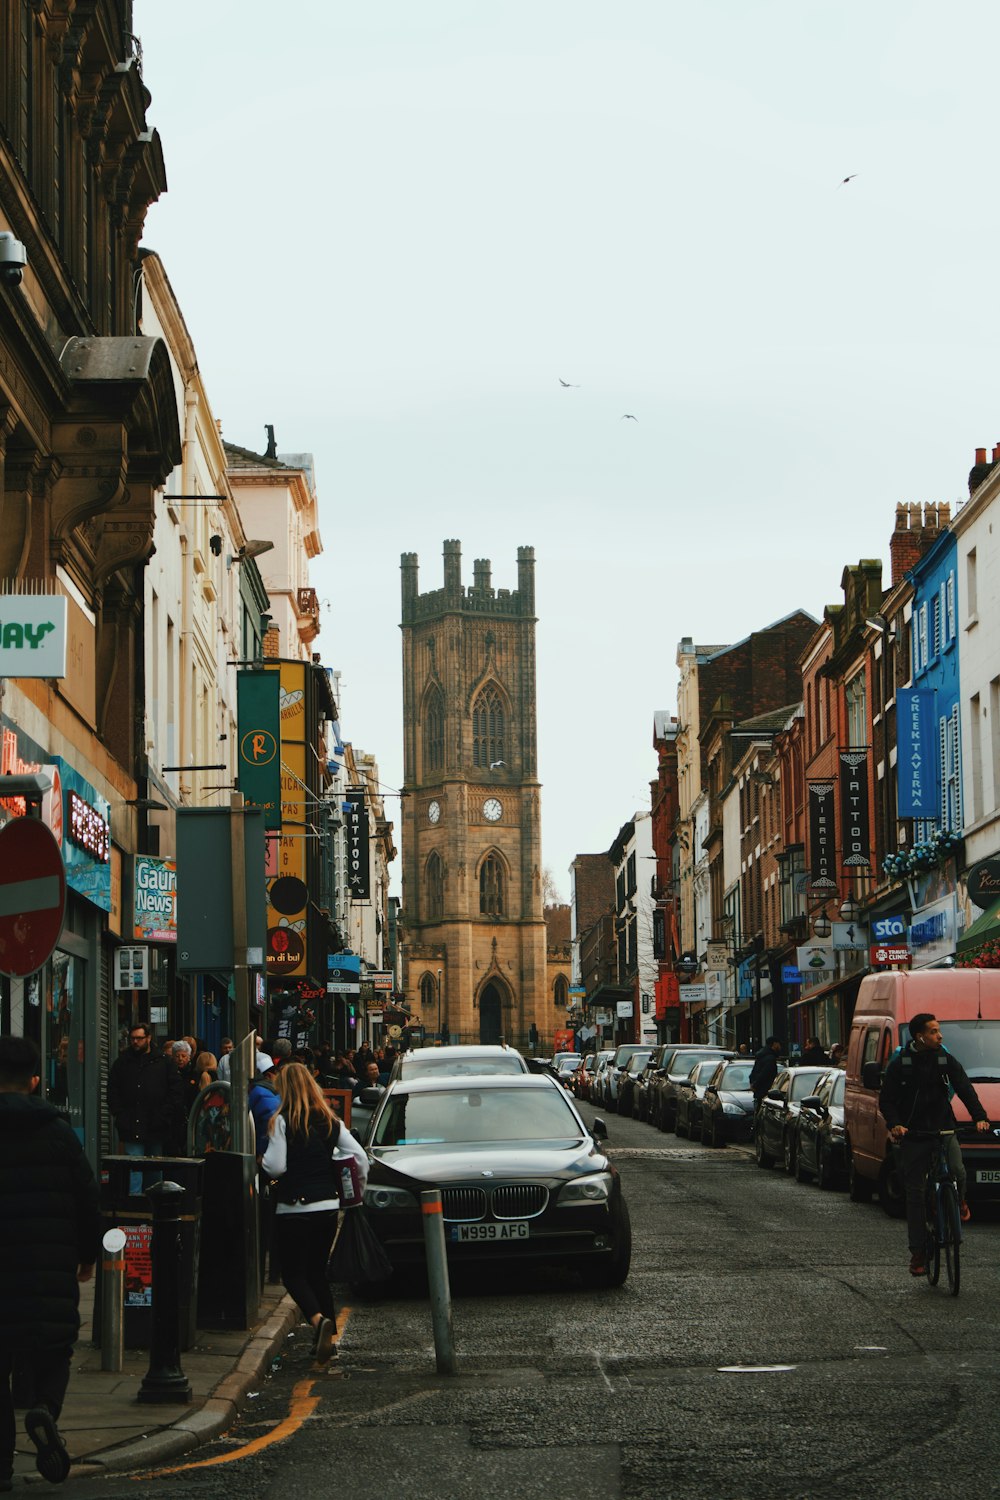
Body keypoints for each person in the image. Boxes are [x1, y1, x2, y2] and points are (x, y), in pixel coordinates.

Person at [0, 1035, 101, 1488]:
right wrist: (87, 1257)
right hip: (49, 1264)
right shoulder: (60, 1132)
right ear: (36, 1080)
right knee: (56, 1350)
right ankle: (45, 1407)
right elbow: (87, 1200)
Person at [261, 1063, 368, 1363]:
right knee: (317, 1272)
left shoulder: (281, 1121)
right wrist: (355, 1195)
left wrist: (262, 1160)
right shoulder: (330, 1121)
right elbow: (359, 1157)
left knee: (292, 1274)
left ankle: (318, 1321)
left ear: (285, 1088)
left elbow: (276, 1167)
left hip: (293, 1208)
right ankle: (328, 1341)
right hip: (327, 1208)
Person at [879, 1012, 991, 1277]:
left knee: (958, 1171)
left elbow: (964, 1087)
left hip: (944, 1128)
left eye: (939, 1031)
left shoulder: (944, 1059)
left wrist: (980, 1117)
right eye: (934, 1032)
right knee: (915, 1193)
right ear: (920, 1036)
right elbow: (887, 1100)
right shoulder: (901, 1064)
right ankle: (918, 1252)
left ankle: (959, 1202)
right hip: (914, 1133)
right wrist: (895, 1124)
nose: (939, 1036)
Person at [107, 1022, 182, 1194]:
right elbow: (113, 1090)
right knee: (135, 1169)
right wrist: (120, 1113)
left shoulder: (163, 1062)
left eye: (139, 1038)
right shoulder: (123, 1063)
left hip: (155, 1125)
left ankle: (152, 1207)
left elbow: (175, 1091)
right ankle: (137, 1208)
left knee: (154, 1170)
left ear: (148, 1038)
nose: (135, 1042)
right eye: (132, 1038)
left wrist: (165, 1115)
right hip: (132, 1124)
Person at [750, 1037, 783, 1108]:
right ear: (774, 1044)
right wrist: (756, 1085)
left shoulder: (762, 1056)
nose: (780, 1047)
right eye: (779, 1044)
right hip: (766, 1092)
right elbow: (764, 1074)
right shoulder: (770, 1059)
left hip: (759, 1091)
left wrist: (753, 1084)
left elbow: (754, 1072)